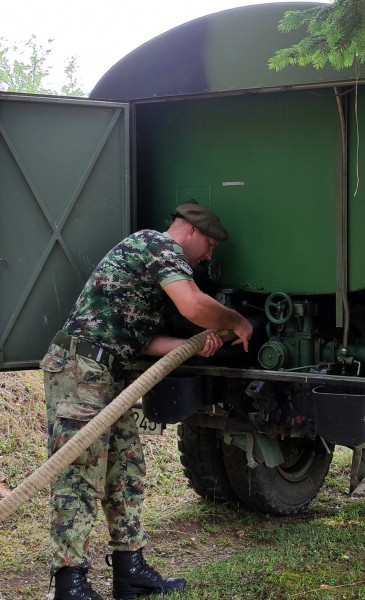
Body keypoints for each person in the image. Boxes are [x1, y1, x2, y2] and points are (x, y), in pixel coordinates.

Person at [39, 202, 253, 600]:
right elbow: (193, 306)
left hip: (106, 371)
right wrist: (235, 321)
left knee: (126, 468)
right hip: (79, 369)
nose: (210, 255)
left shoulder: (154, 264)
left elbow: (139, 337)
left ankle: (130, 571)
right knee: (80, 473)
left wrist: (190, 345)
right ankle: (69, 585)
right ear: (189, 231)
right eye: (209, 243)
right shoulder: (157, 246)